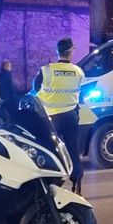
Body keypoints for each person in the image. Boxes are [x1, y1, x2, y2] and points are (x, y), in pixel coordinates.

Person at [34, 38, 85, 191]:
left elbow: (34, 90)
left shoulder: (46, 70)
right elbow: (80, 92)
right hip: (70, 116)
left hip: (50, 119)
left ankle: (51, 183)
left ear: (58, 51)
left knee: (49, 150)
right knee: (73, 151)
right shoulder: (79, 72)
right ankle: (77, 184)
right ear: (71, 52)